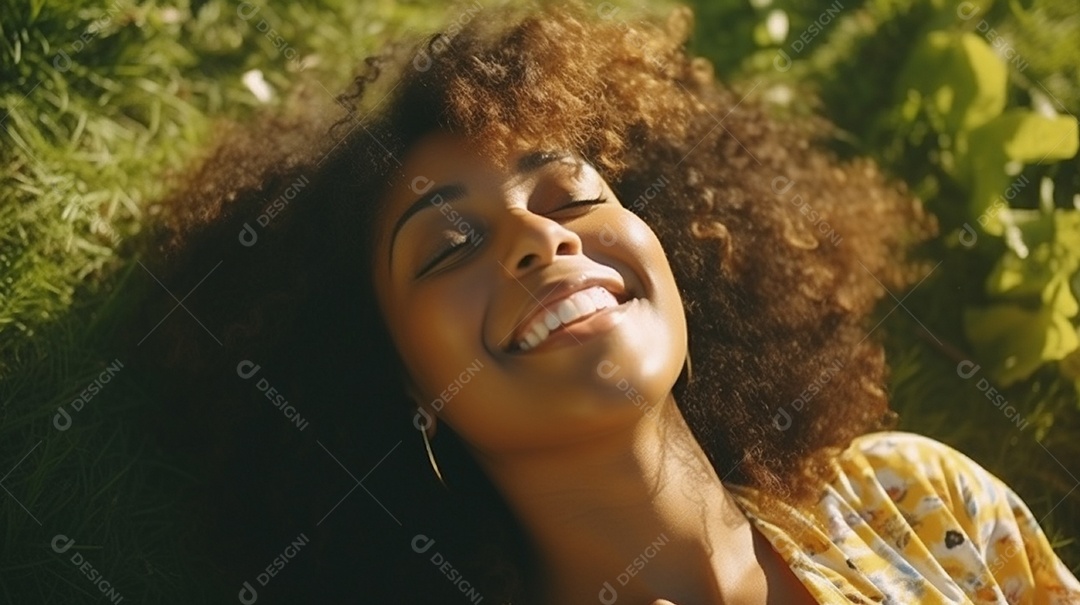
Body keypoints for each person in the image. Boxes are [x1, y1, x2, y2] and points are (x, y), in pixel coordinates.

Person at [140, 1, 1080, 603]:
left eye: (571, 195)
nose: (539, 239)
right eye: (448, 246)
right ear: (403, 384)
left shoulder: (905, 495)